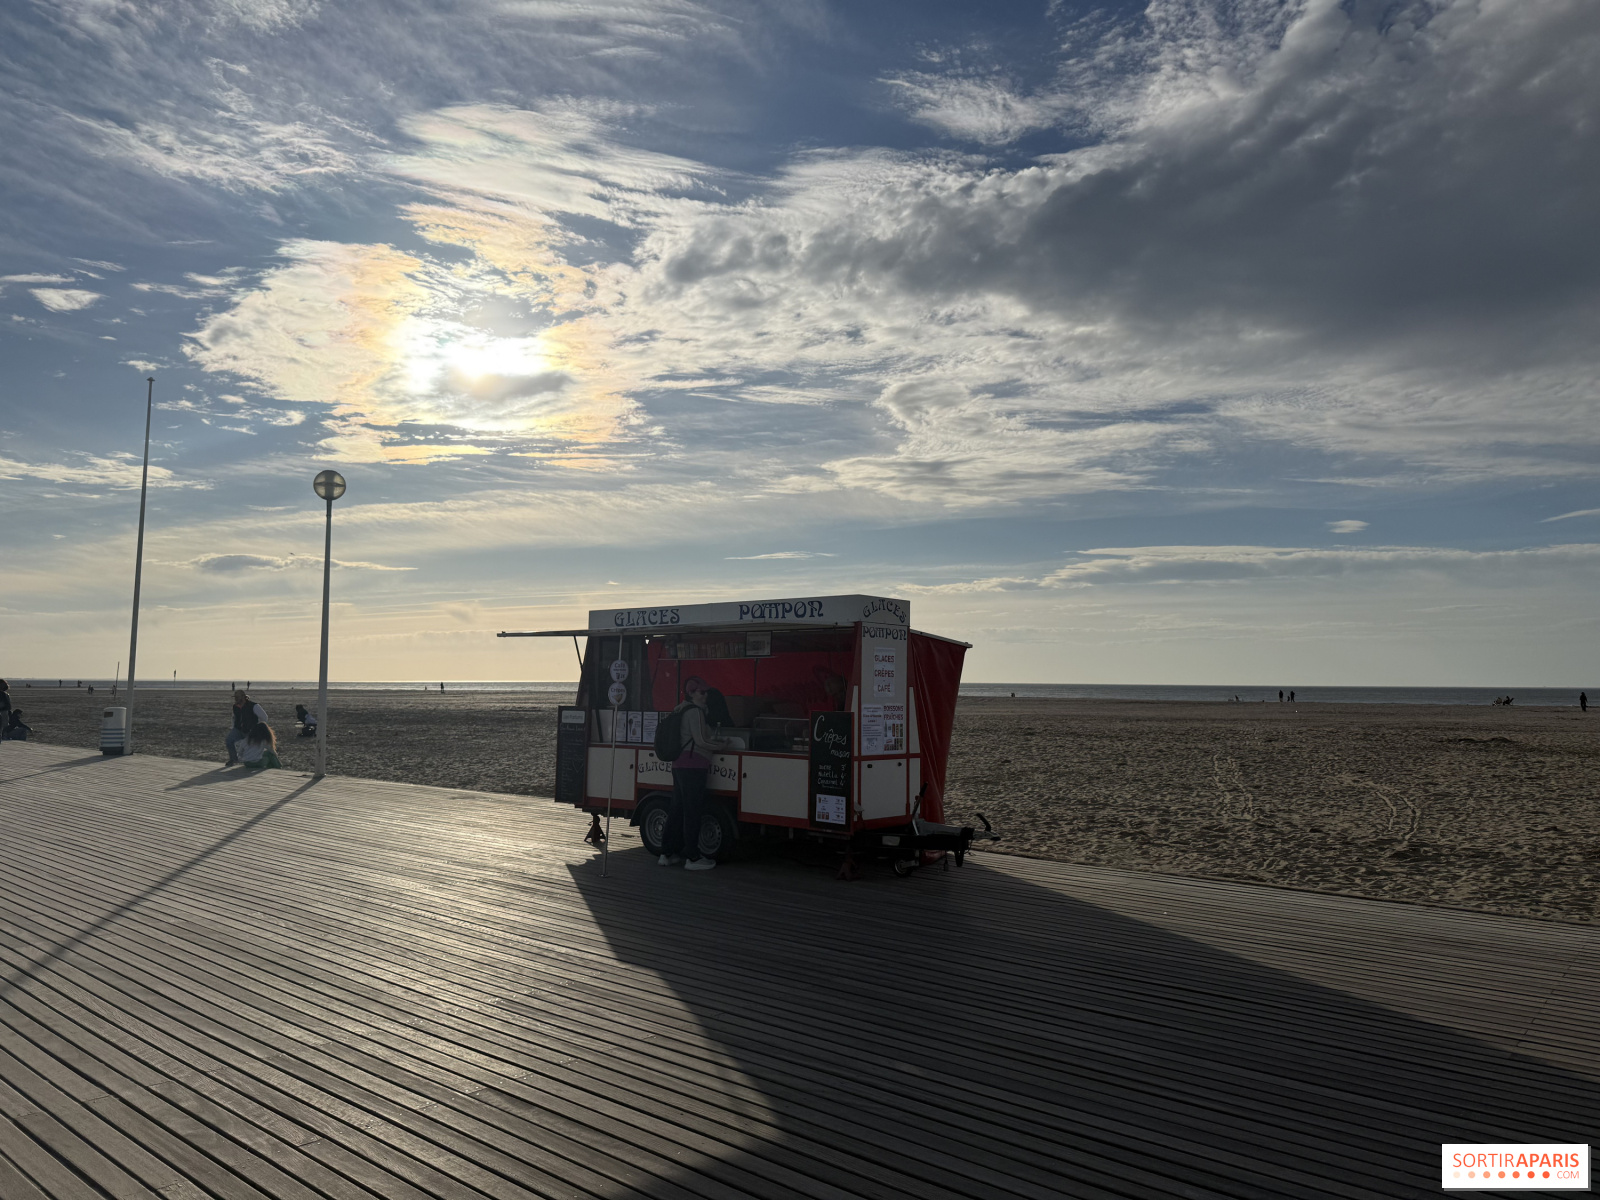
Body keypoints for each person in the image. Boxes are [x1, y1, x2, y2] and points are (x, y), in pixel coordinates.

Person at [661, 676, 728, 871]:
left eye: (706, 692)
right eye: (702, 692)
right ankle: (692, 857)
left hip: (678, 765)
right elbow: (701, 741)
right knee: (692, 811)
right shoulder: (695, 712)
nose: (706, 695)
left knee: (677, 809)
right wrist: (720, 745)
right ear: (692, 693)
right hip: (694, 765)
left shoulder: (679, 709)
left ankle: (667, 853)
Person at [226, 689, 268, 766]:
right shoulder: (235, 707)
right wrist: (233, 727)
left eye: (237, 697)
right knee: (229, 740)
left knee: (252, 746)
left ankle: (257, 758)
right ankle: (233, 759)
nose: (236, 699)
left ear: (243, 697)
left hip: (251, 731)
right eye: (235, 697)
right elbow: (234, 717)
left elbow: (264, 717)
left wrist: (258, 728)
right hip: (238, 729)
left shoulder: (254, 706)